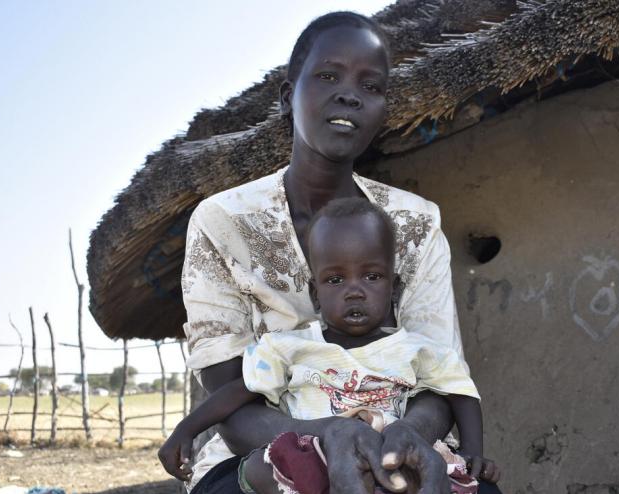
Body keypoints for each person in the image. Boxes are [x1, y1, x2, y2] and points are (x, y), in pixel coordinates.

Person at [178, 11, 503, 493]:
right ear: (289, 97)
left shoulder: (414, 223)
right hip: (263, 453)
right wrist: (326, 437)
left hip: (400, 444)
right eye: (328, 76)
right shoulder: (223, 222)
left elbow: (438, 375)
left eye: (370, 86)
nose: (349, 93)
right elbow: (230, 395)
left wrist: (402, 437)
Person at [160, 199, 501, 493]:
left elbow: (460, 392)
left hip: (394, 454)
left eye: (372, 276)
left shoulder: (419, 350)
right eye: (336, 279)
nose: (354, 291)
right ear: (315, 294)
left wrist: (473, 451)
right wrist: (187, 429)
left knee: (445, 475)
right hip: (318, 452)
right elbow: (242, 390)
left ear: (394, 289)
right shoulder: (288, 349)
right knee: (283, 459)